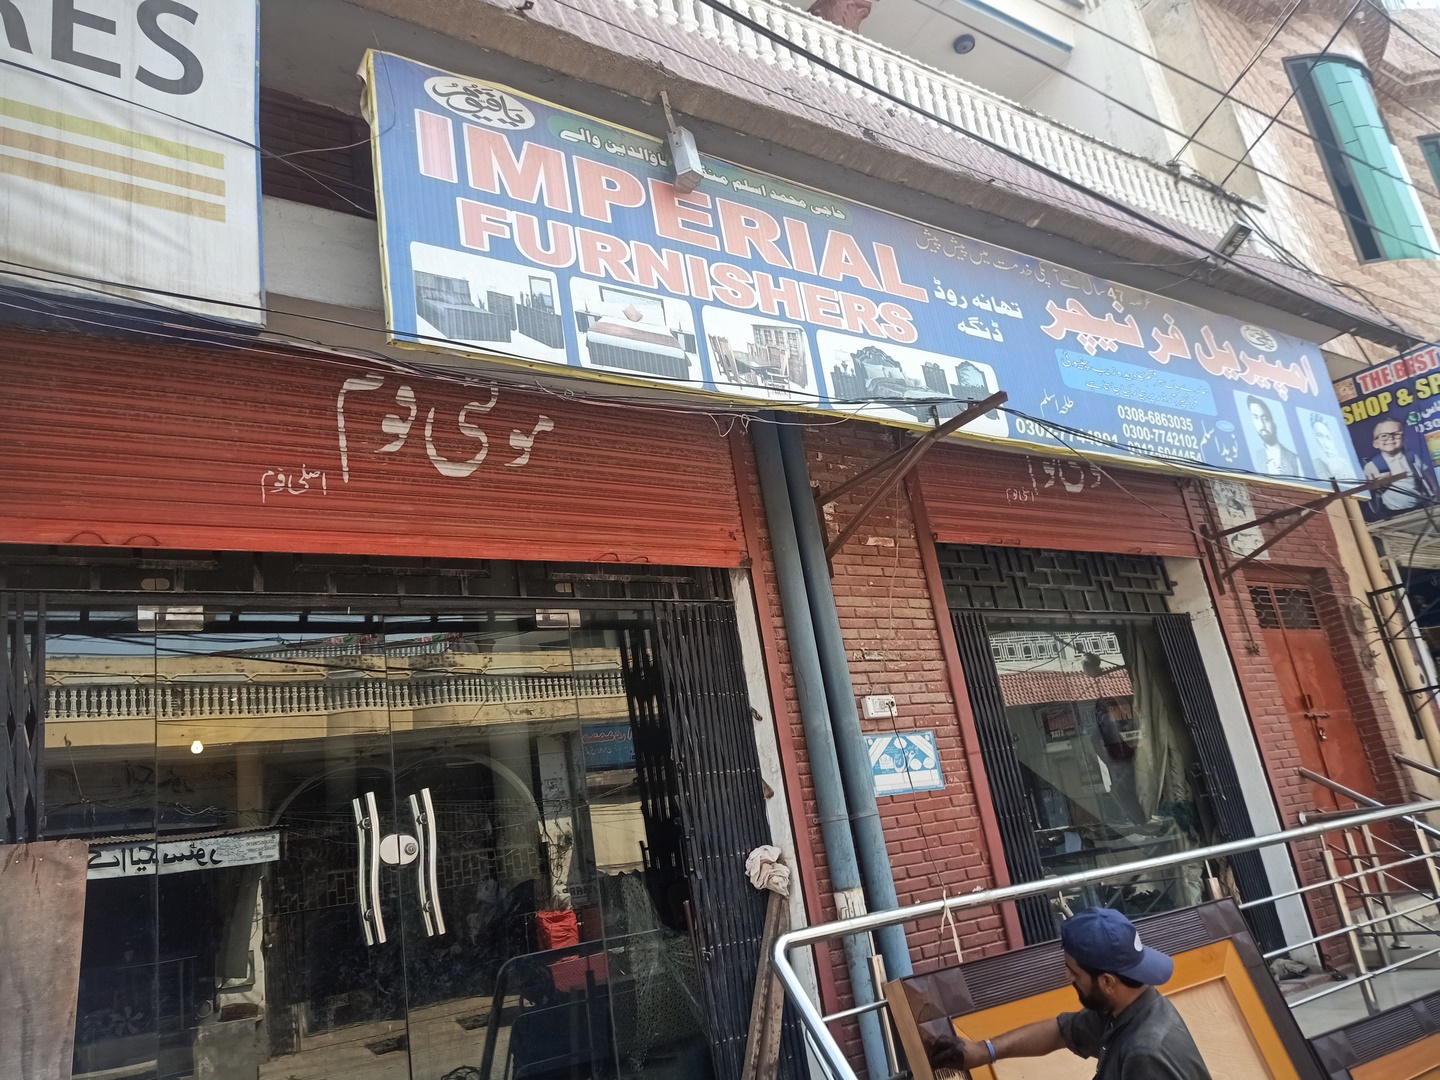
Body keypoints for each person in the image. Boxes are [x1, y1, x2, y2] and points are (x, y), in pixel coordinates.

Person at [928, 907, 1212, 1079]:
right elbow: (1061, 1032)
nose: (1068, 978)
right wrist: (985, 1051)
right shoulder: (1124, 1008)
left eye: (1074, 972)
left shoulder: (1145, 1054)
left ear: (1108, 982)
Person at [1363, 419, 1435, 516]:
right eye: (1384, 436)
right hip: (1394, 512)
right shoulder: (1371, 466)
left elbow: (1429, 479)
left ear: (1403, 439)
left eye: (1396, 434)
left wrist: (1435, 495)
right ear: (1375, 443)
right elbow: (1370, 496)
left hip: (1421, 507)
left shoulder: (1411, 457)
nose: (1390, 438)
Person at [1246, 396, 1300, 477]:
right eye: (1256, 417)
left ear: (1274, 423)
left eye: (1265, 418)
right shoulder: (1258, 456)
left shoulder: (1294, 459)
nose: (1261, 425)